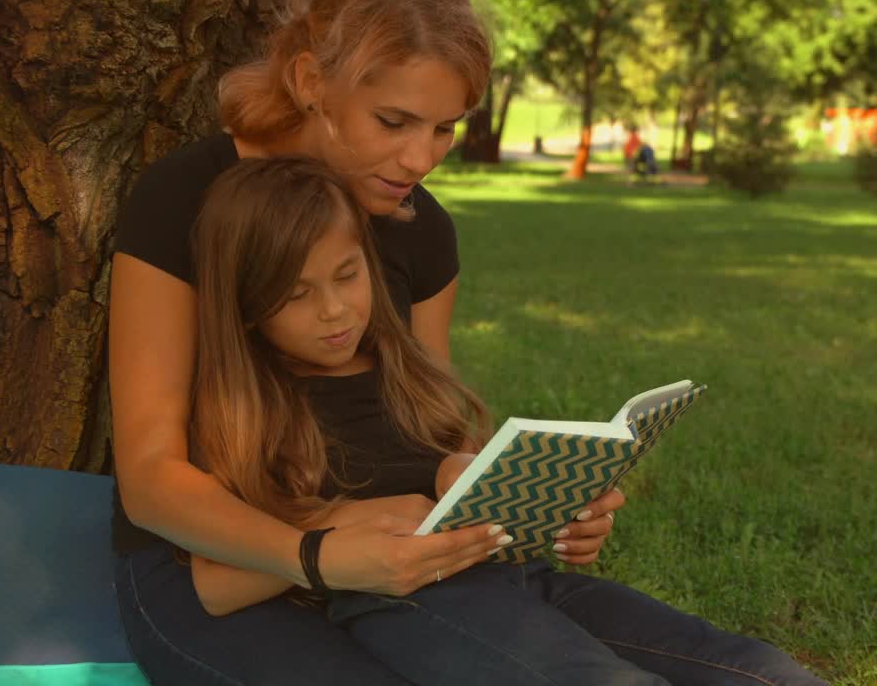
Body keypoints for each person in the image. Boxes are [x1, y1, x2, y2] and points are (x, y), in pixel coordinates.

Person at [108, 0, 623, 684]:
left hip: (390, 545)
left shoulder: (422, 229)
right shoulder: (185, 199)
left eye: (444, 128)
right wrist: (312, 555)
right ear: (311, 81)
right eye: (393, 122)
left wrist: (520, 497)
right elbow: (150, 476)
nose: (420, 159)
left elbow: (434, 427)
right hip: (216, 567)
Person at [185, 155, 829, 686]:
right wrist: (341, 523)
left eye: (347, 275)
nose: (334, 310)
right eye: (297, 294)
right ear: (249, 308)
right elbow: (215, 585)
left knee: (749, 667)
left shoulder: (401, 365)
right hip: (407, 599)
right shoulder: (249, 406)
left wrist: (522, 495)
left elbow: (449, 470)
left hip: (518, 579)